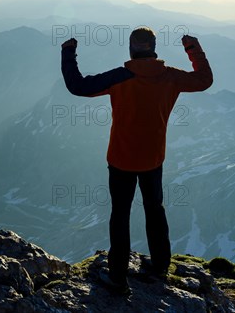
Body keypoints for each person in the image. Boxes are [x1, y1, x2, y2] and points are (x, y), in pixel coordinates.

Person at [61, 27, 213, 294]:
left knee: (120, 215)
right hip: (153, 158)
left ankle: (118, 277)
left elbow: (78, 86)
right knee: (155, 210)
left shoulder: (121, 77)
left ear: (131, 49)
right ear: (154, 48)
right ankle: (160, 266)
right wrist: (192, 48)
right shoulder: (170, 77)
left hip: (121, 159)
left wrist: (68, 52)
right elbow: (204, 80)